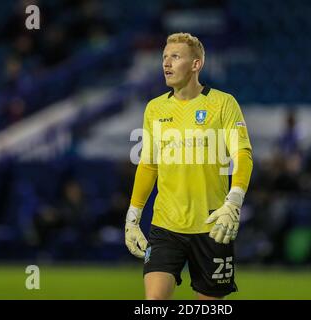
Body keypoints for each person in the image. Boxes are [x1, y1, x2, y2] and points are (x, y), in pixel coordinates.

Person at [124, 33, 253, 300]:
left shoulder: (223, 104)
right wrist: (133, 216)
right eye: (164, 57)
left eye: (175, 57)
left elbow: (243, 155)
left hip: (212, 226)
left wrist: (234, 201)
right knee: (154, 302)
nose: (166, 63)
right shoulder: (154, 109)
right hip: (166, 226)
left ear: (196, 65)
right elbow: (148, 164)